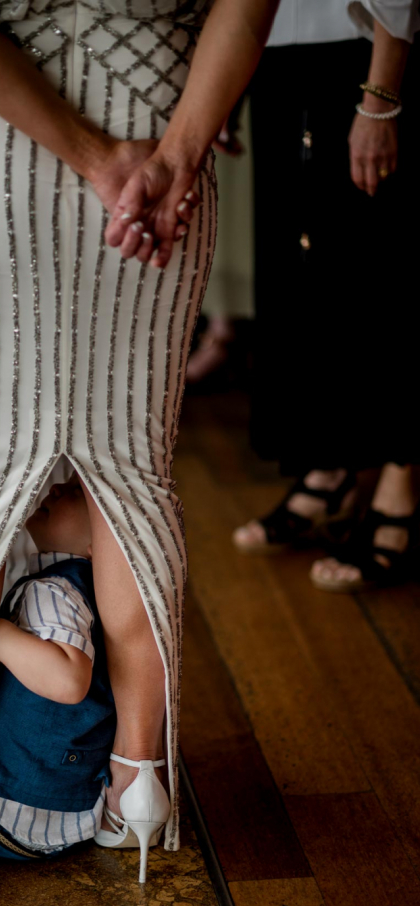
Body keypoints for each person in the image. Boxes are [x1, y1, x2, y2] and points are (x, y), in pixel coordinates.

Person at [0, 0, 279, 887]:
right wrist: (170, 158)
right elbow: (246, 13)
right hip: (160, 129)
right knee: (130, 475)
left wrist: (94, 161)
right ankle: (137, 783)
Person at [233, 0, 419, 592]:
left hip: (369, 50)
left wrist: (382, 93)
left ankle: (399, 478)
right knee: (303, 272)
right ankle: (331, 461)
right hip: (270, 48)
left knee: (384, 263)